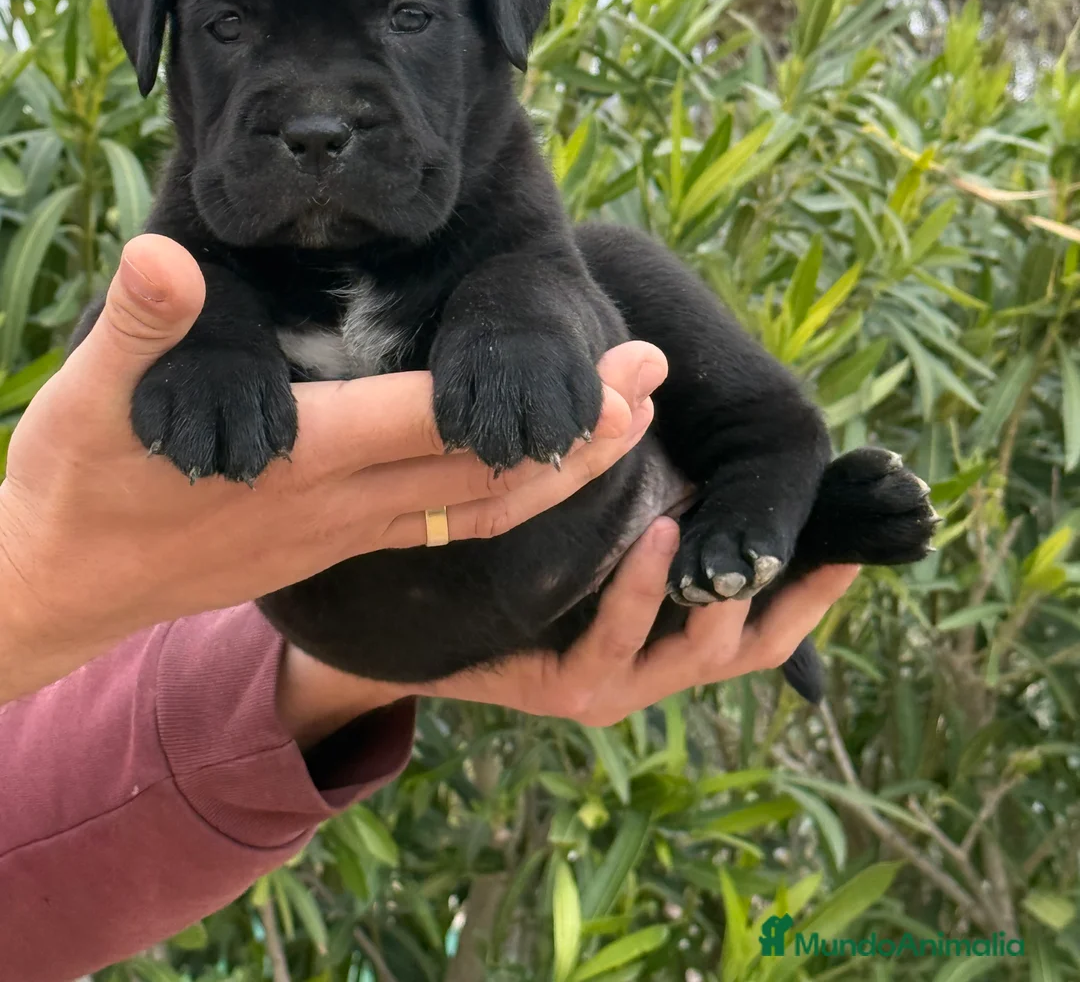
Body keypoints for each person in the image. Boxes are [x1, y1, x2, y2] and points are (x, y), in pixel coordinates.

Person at [0, 235, 858, 979]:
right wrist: (39, 592)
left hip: (540, 549)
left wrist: (42, 595)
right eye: (227, 30)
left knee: (599, 270)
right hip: (436, 603)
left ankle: (782, 486)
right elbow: (39, 879)